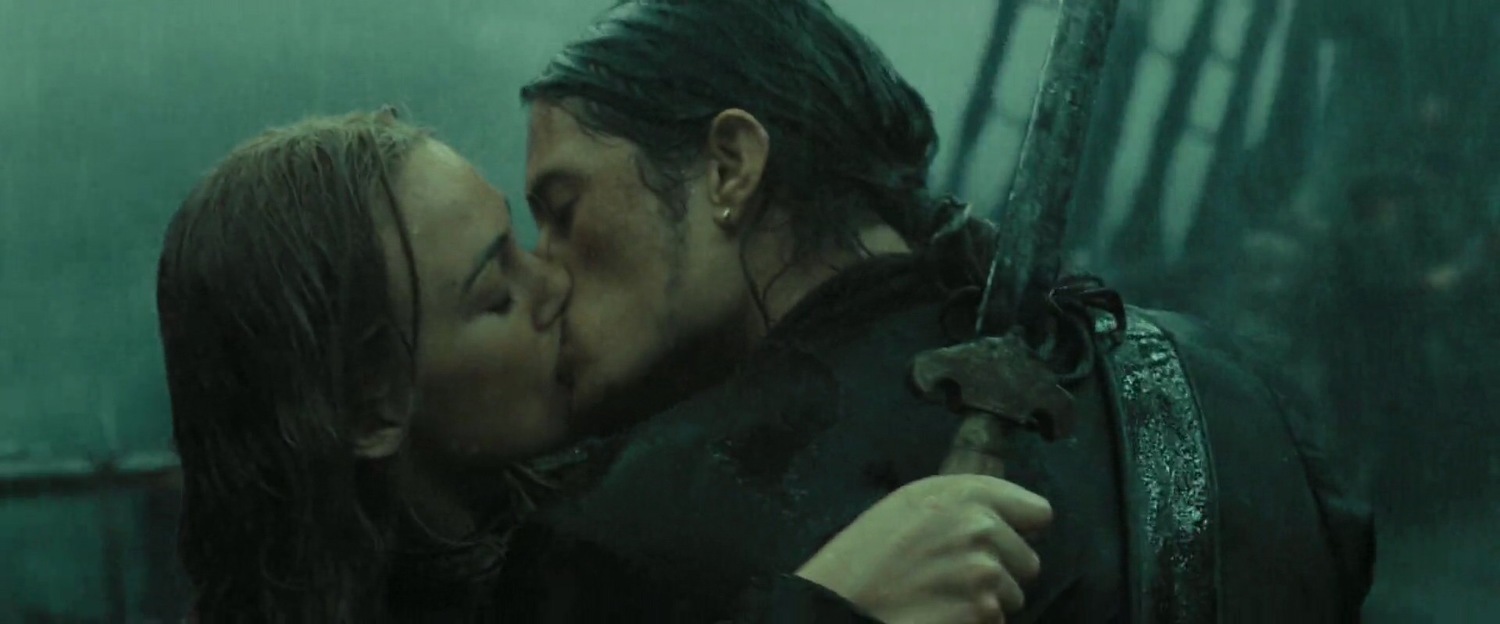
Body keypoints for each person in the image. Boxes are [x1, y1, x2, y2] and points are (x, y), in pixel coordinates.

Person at [498, 0, 1375, 621]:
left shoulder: (615, 544)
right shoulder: (1243, 403)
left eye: (563, 211)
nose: (543, 271)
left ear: (730, 167)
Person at [156, 109, 1051, 623]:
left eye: (523, 239)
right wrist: (835, 602)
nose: (553, 283)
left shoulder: (603, 525)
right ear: (369, 406)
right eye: (495, 293)